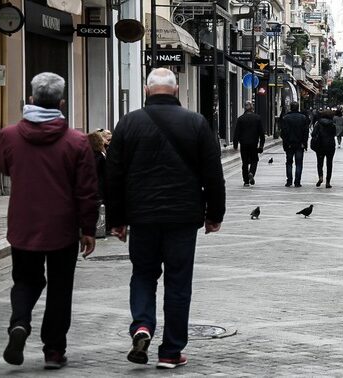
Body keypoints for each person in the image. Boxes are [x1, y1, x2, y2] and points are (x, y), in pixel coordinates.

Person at [105, 68, 225, 369]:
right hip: (183, 218)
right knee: (178, 283)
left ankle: (142, 325)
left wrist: (116, 220)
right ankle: (171, 352)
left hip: (141, 216)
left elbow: (113, 177)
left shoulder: (128, 123)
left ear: (147, 90)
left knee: (143, 274)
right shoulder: (196, 123)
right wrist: (214, 215)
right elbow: (214, 175)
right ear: (176, 90)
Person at [0, 72, 98, 370]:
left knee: (25, 280)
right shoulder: (77, 141)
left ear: (31, 99)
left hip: (24, 223)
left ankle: (19, 323)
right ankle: (53, 350)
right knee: (60, 288)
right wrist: (88, 229)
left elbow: (2, 165)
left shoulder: (8, 135)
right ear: (61, 103)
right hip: (63, 227)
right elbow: (87, 190)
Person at [233, 101, 265, 187]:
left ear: (244, 108)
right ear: (252, 108)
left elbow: (236, 133)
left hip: (243, 144)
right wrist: (261, 145)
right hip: (253, 143)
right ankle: (251, 172)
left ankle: (246, 181)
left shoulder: (240, 119)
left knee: (245, 162)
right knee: (254, 160)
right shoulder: (257, 118)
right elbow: (261, 133)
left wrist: (235, 144)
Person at [280, 101, 310, 187]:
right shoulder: (303, 118)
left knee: (289, 163)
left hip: (289, 144)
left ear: (290, 107)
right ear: (298, 107)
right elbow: (306, 132)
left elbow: (283, 132)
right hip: (300, 144)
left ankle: (289, 181)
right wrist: (304, 143)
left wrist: (286, 142)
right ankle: (297, 182)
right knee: (299, 163)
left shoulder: (286, 118)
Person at [312, 109, 337, 188]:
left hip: (320, 145)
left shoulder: (318, 123)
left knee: (320, 163)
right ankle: (328, 182)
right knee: (329, 164)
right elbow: (334, 134)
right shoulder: (332, 124)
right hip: (330, 145)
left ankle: (320, 177)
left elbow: (313, 134)